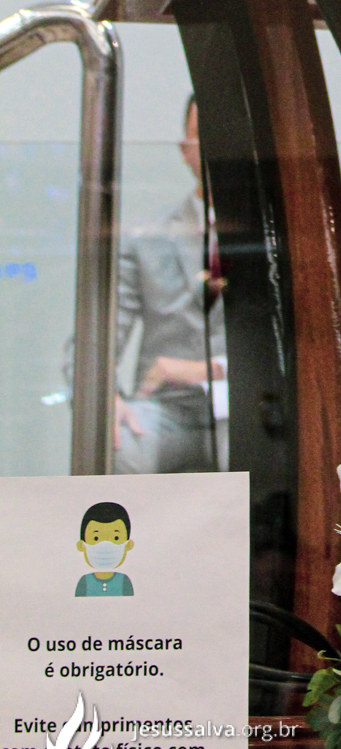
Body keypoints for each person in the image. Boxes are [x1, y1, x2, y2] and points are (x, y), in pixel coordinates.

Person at [113, 98, 226, 475]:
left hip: (251, 405)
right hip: (168, 408)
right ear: (184, 149)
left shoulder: (283, 240)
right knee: (122, 441)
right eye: (202, 134)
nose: (215, 145)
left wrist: (211, 369)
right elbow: (96, 338)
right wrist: (107, 397)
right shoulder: (144, 238)